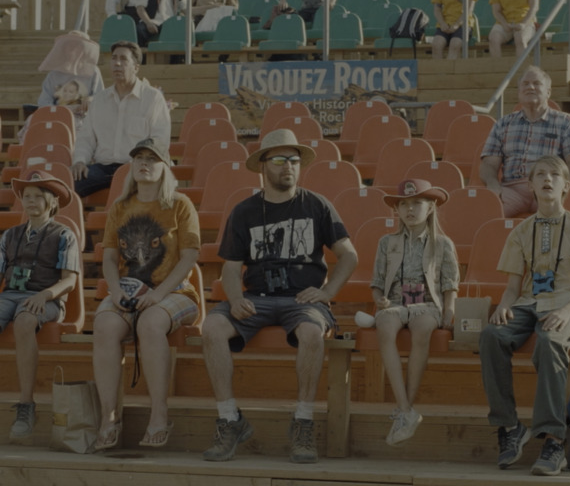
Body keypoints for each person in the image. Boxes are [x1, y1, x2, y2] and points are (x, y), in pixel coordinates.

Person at [200, 129, 357, 464]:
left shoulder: (316, 205)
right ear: (263, 166)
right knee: (212, 328)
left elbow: (349, 255)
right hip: (255, 297)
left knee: (313, 334)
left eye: (295, 161)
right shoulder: (244, 211)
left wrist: (327, 292)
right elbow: (230, 267)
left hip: (302, 301)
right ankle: (230, 420)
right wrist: (235, 296)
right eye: (280, 160)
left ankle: (303, 422)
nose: (289, 166)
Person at [480, 155, 570, 476]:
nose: (547, 179)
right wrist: (503, 305)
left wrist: (566, 311)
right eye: (540, 174)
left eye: (554, 175)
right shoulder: (521, 231)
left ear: (566, 185)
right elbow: (512, 287)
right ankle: (509, 426)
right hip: (528, 304)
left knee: (549, 341)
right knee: (492, 336)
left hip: (565, 304)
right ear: (530, 185)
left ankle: (553, 439)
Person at [0, 168, 81, 441]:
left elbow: (69, 281)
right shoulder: (10, 235)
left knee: (24, 322)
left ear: (52, 202)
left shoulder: (64, 235)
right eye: (26, 196)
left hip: (47, 298)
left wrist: (44, 295)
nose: (30, 201)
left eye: (37, 196)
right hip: (10, 296)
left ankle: (26, 405)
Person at [92, 138, 202, 450]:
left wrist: (159, 294)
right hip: (128, 290)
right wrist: (113, 291)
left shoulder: (179, 204)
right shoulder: (120, 207)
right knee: (103, 325)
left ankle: (159, 414)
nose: (144, 163)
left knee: (151, 323)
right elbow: (110, 257)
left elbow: (190, 256)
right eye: (139, 157)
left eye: (152, 159)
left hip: (176, 291)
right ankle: (108, 417)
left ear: (165, 167)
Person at [368, 178, 458, 446]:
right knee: (384, 328)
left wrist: (449, 311)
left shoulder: (443, 243)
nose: (409, 209)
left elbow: (449, 284)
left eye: (416, 203)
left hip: (427, 304)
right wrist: (380, 300)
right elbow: (376, 282)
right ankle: (405, 409)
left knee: (422, 331)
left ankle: (406, 408)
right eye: (403, 204)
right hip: (395, 303)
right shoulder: (387, 242)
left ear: (430, 207)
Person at [479, 65, 570, 217]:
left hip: (550, 189)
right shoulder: (503, 124)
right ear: (519, 92)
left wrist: (555, 187)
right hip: (512, 190)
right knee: (485, 215)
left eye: (537, 83)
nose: (530, 87)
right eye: (525, 84)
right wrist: (492, 184)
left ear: (548, 92)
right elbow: (489, 164)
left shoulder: (568, 123)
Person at [70, 40, 171, 198]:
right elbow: (86, 138)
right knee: (65, 186)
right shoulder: (99, 100)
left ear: (136, 67)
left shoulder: (152, 98)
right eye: (114, 58)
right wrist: (80, 161)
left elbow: (159, 140)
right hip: (102, 168)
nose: (117, 63)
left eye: (123, 59)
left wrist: (141, 165)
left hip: (136, 168)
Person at [33, 30, 105, 111]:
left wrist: (91, 99)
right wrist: (57, 111)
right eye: (69, 45)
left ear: (85, 49)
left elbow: (101, 97)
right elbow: (43, 102)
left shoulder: (93, 71)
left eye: (76, 45)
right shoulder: (54, 74)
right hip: (58, 118)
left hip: (85, 119)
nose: (72, 49)